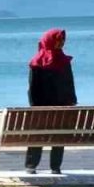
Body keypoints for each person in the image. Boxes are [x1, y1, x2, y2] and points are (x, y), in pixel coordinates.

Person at [26, 28, 77, 174]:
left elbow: (32, 89)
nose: (61, 43)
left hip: (42, 108)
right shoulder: (64, 61)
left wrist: (35, 107)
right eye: (59, 40)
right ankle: (55, 167)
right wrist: (71, 102)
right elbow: (69, 85)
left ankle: (31, 165)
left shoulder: (37, 62)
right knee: (59, 133)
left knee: (37, 134)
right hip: (60, 107)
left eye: (62, 40)